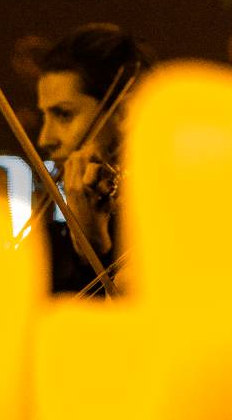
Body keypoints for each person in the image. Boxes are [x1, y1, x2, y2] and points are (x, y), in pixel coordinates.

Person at [33, 23, 154, 295]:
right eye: (44, 116)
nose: (45, 138)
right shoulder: (51, 243)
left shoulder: (172, 226)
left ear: (123, 113)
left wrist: (96, 251)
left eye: (64, 115)